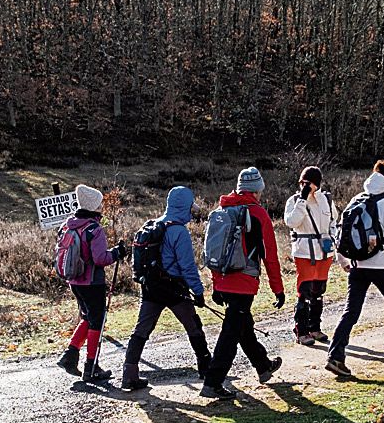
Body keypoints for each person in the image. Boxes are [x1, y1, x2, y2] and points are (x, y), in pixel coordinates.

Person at [201, 168, 284, 399]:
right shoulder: (258, 214)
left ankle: (263, 365)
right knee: (230, 332)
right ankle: (213, 383)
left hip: (224, 279)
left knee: (243, 324)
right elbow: (270, 256)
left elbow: (213, 250)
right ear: (257, 190)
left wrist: (216, 284)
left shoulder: (222, 209)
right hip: (244, 281)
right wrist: (278, 289)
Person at [327, 161, 384, 377]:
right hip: (382, 263)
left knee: (351, 311)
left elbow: (342, 232)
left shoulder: (358, 199)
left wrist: (344, 259)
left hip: (358, 263)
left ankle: (335, 355)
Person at [120, 185, 210, 391]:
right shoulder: (179, 231)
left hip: (151, 287)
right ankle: (206, 367)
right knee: (193, 326)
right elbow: (187, 267)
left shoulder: (154, 224)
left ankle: (129, 374)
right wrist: (198, 292)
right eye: (190, 207)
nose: (191, 211)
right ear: (185, 206)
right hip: (173, 289)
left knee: (141, 329)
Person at [54, 184, 117, 386]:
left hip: (74, 280)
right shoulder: (94, 229)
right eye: (100, 204)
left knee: (89, 317)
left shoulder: (67, 225)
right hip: (92, 282)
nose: (101, 207)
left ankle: (70, 356)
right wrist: (118, 253)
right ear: (94, 206)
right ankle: (91, 367)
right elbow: (100, 259)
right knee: (97, 321)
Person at [284, 166, 337, 346]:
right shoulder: (294, 201)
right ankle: (301, 330)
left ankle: (315, 327)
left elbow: (333, 221)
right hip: (304, 252)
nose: (305, 185)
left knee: (319, 290)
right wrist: (302, 200)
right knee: (304, 290)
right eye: (303, 182)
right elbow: (292, 222)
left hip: (325, 251)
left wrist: (333, 239)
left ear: (317, 184)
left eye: (309, 183)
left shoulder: (326, 200)